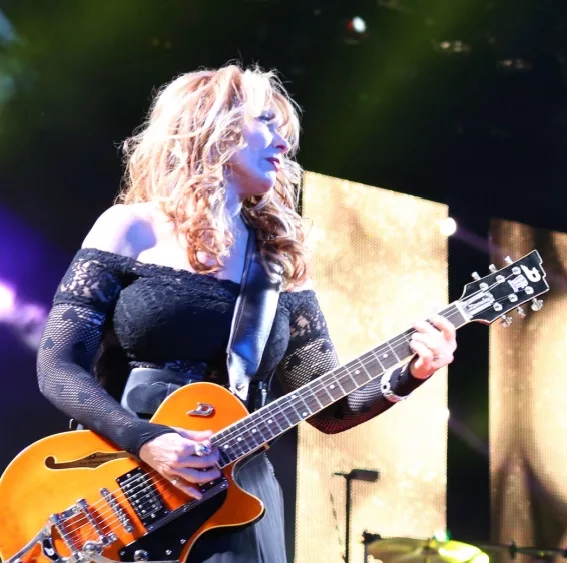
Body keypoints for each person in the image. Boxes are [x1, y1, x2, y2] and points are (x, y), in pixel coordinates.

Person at [35, 64, 458, 562]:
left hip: (239, 499)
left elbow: (331, 409)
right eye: (268, 124)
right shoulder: (130, 229)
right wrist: (146, 439)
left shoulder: (280, 262)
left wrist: (413, 371)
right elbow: (57, 366)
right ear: (211, 128)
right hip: (127, 483)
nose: (284, 144)